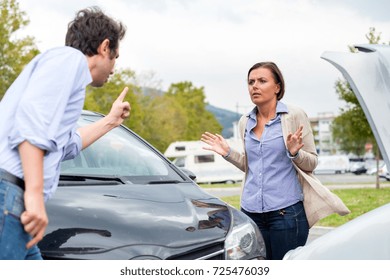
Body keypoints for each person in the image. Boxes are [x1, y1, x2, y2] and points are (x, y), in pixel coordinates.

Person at [0, 7, 129, 260]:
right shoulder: (68, 60)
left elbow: (65, 147)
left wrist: (111, 121)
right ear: (105, 47)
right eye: (115, 57)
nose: (114, 68)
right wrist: (34, 195)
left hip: (15, 201)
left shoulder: (67, 75)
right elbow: (31, 125)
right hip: (10, 195)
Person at [201, 61, 350, 260]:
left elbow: (312, 163)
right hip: (251, 212)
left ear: (277, 87)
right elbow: (251, 166)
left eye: (262, 81)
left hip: (286, 214)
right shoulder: (246, 121)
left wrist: (295, 152)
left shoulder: (294, 115)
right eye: (251, 81)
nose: (254, 86)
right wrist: (228, 152)